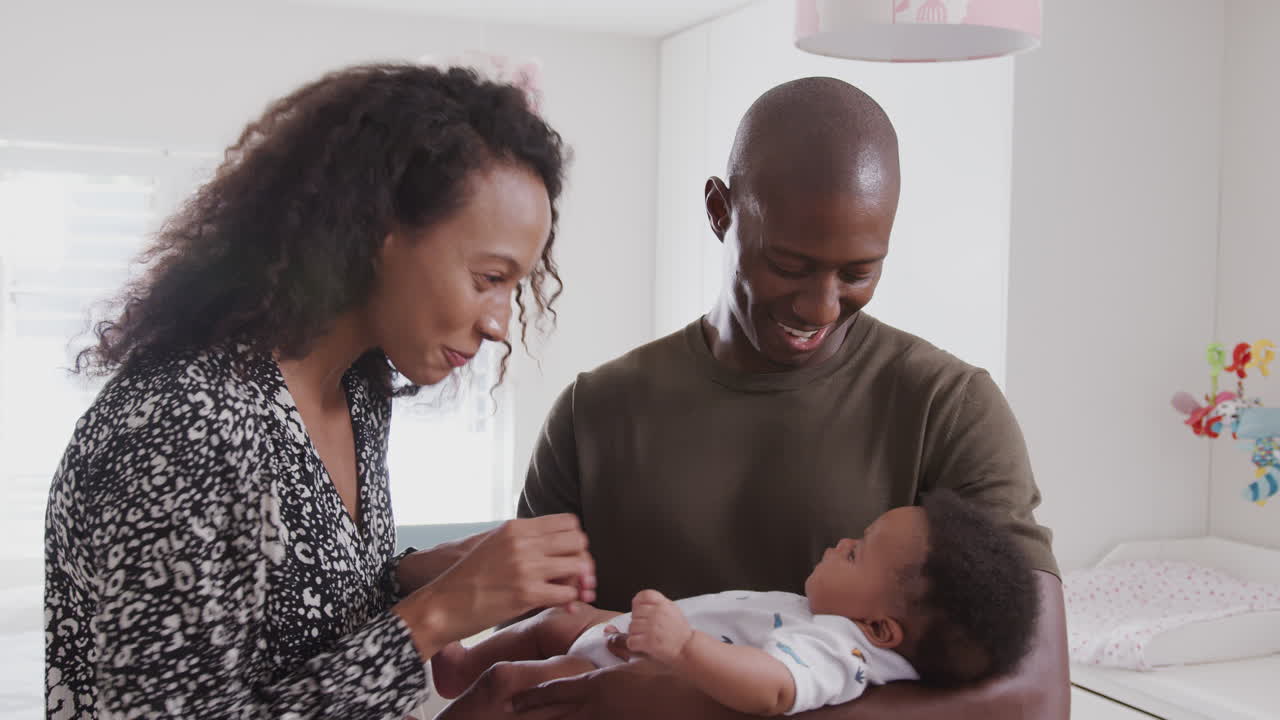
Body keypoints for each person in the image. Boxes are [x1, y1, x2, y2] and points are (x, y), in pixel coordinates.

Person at [443, 76, 1069, 719]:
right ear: (720, 211)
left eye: (858, 272)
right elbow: (517, 663)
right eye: (789, 264)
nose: (820, 306)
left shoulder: (951, 408)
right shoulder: (594, 411)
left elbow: (1034, 701)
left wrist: (700, 705)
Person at [42, 63, 597, 719]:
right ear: (376, 234)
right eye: (487, 278)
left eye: (516, 286)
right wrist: (439, 611)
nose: (501, 323)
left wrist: (421, 574)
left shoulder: (356, 391)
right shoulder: (179, 427)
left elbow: (278, 616)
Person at [430, 491, 1038, 717]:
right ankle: (459, 668)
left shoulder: (838, 651)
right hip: (626, 637)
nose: (845, 541)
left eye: (858, 554)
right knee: (558, 621)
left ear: (879, 628)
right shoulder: (841, 624)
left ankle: (463, 697)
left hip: (623, 671)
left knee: (514, 684)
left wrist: (684, 646)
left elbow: (774, 689)